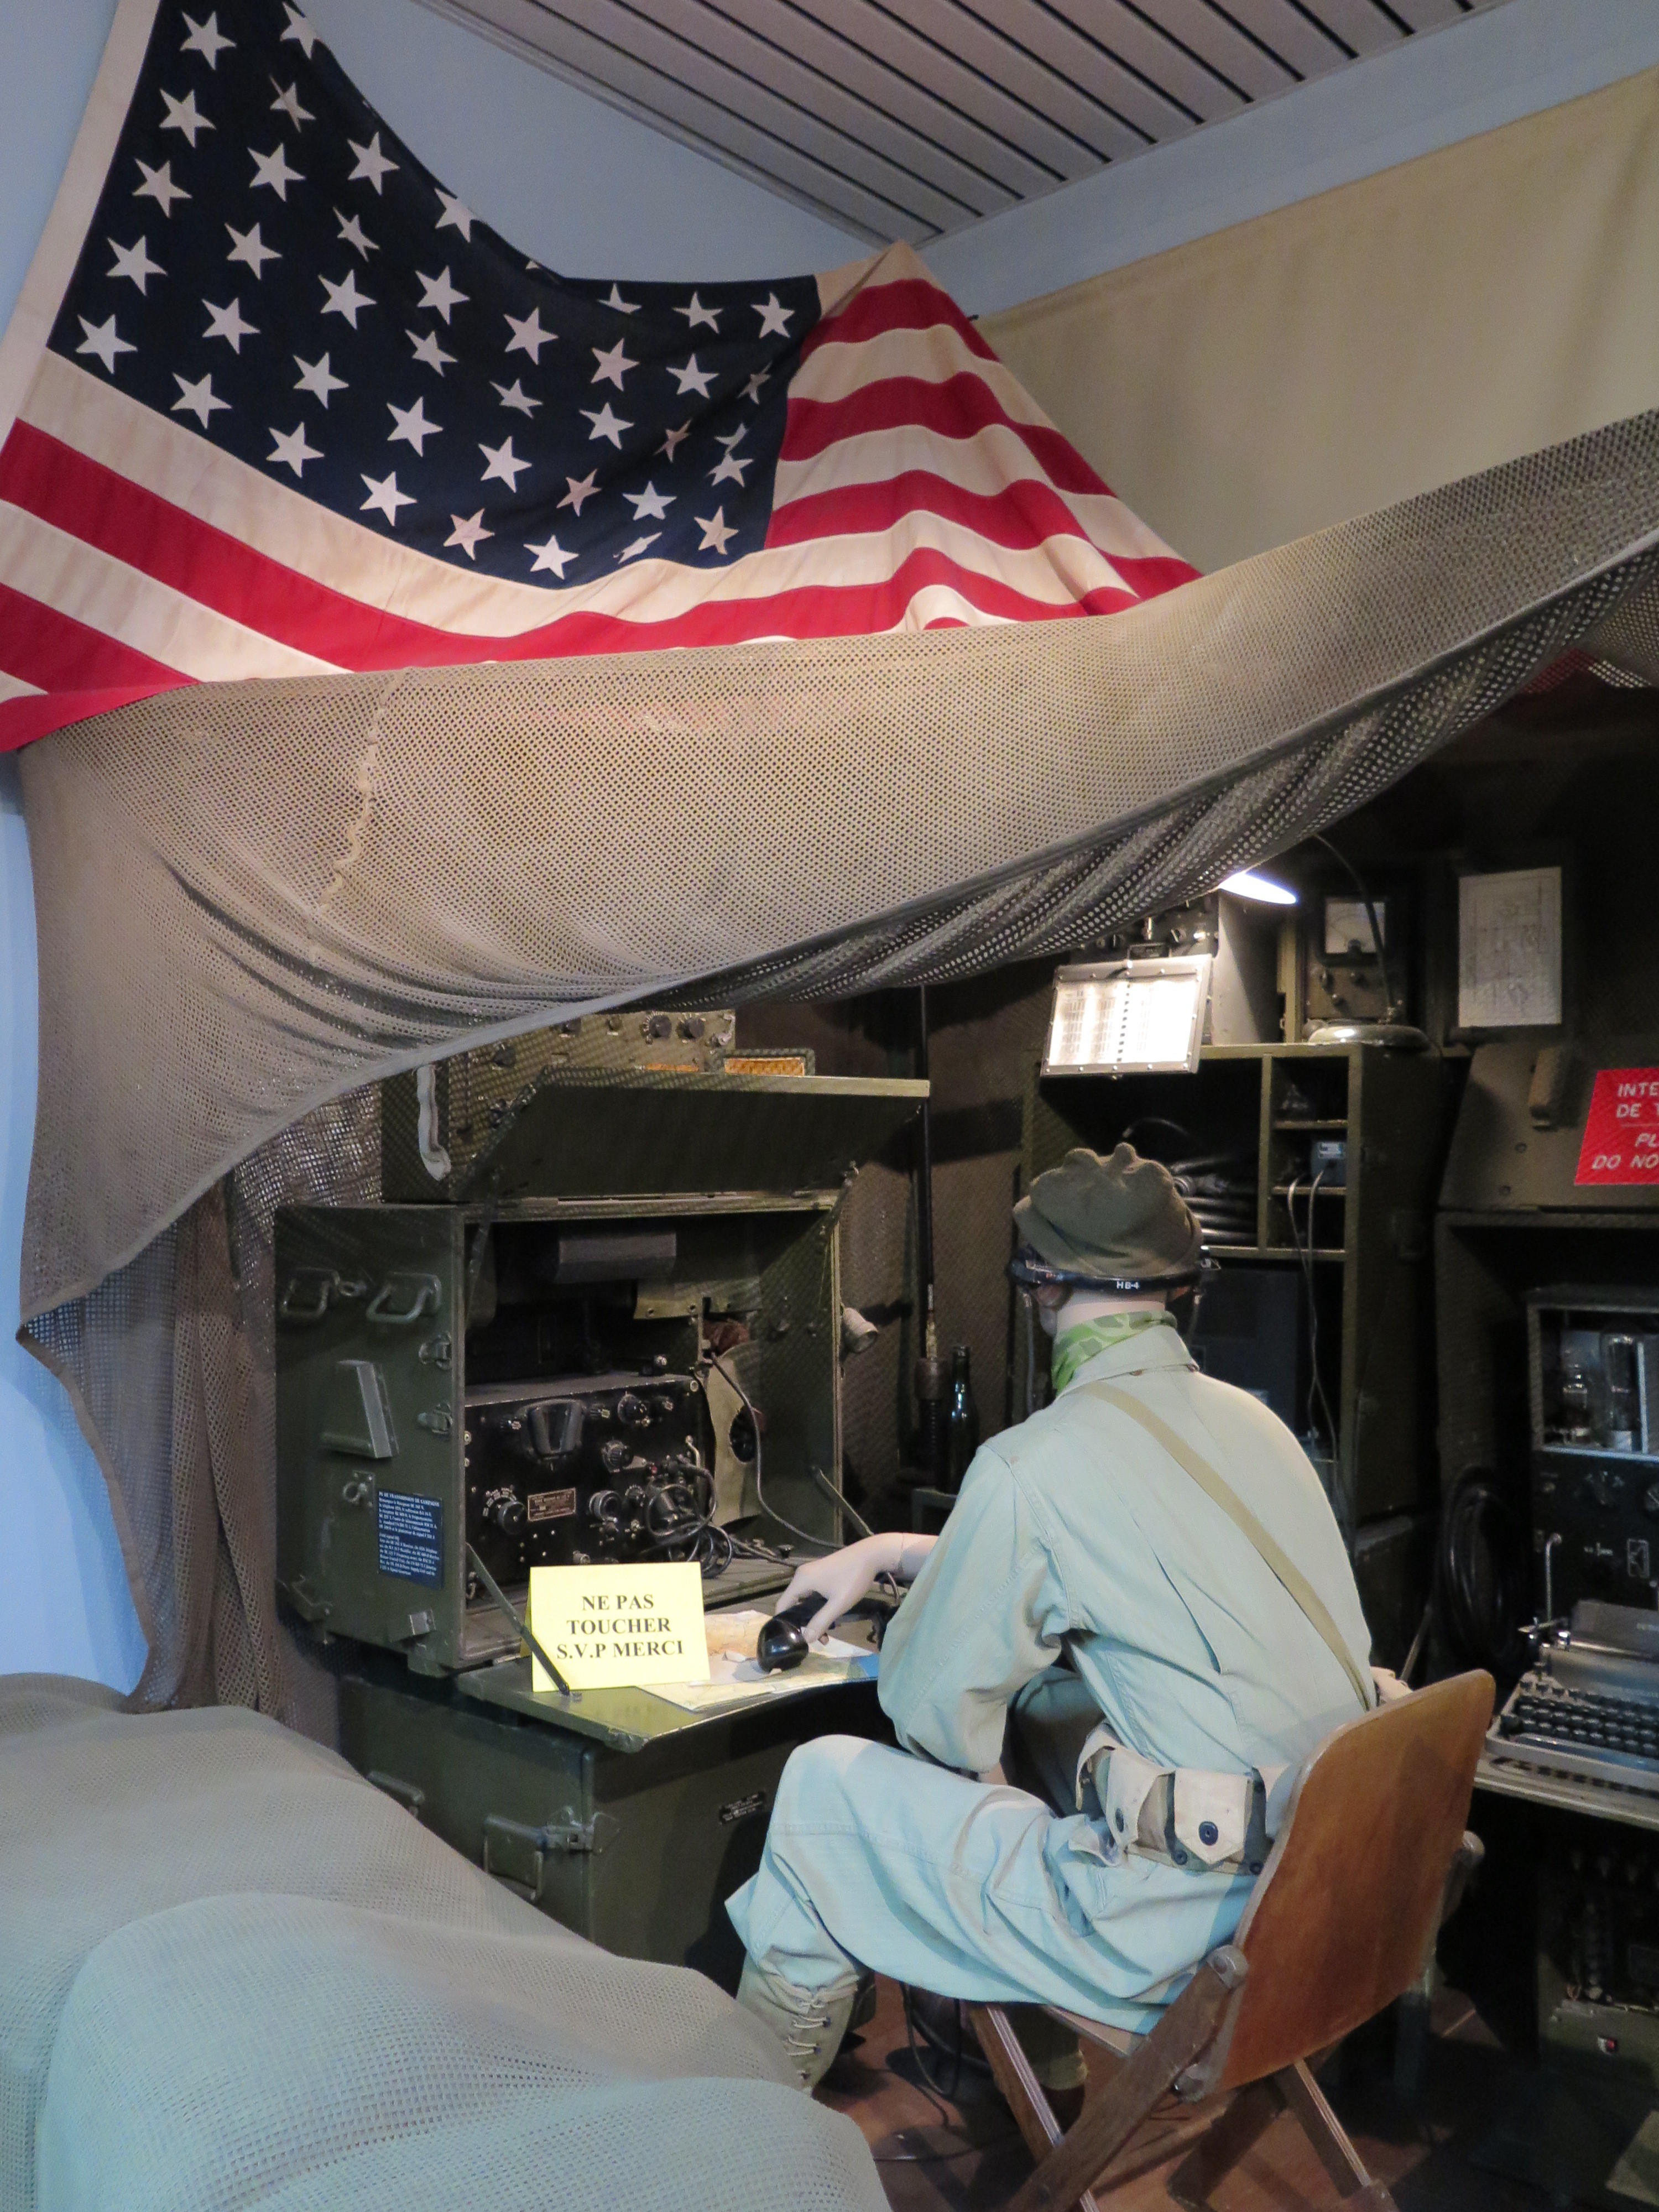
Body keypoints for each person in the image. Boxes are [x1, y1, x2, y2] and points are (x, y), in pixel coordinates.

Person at [726, 1143, 1379, 2092]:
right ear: (1179, 1288)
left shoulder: (1034, 1463)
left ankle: (752, 2121)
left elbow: (930, 1710)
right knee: (1048, 1708)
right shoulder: (1258, 1425)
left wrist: (934, 1621)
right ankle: (1044, 2090)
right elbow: (1133, 1564)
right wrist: (891, 1551)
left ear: (1041, 1287)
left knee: (824, 1786)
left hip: (1187, 1938)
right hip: (1330, 1901)